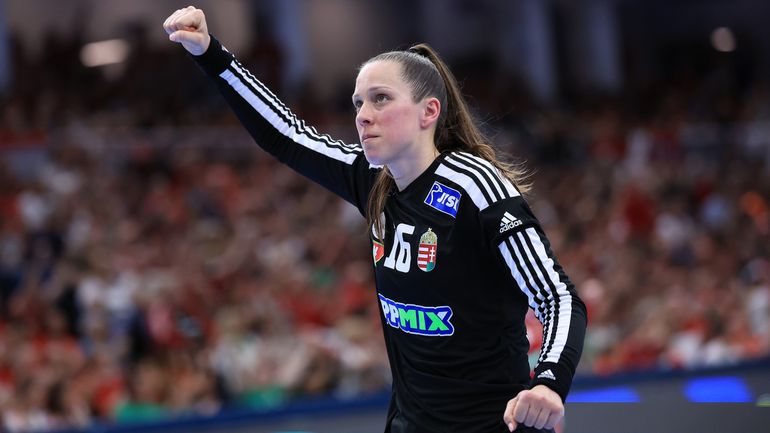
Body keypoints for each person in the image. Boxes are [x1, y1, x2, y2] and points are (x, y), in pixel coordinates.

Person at [163, 6, 587, 433]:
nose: (363, 115)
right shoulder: (374, 182)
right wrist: (210, 53)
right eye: (358, 103)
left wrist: (549, 383)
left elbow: (557, 297)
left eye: (380, 98)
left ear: (428, 112)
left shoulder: (476, 186)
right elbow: (286, 135)